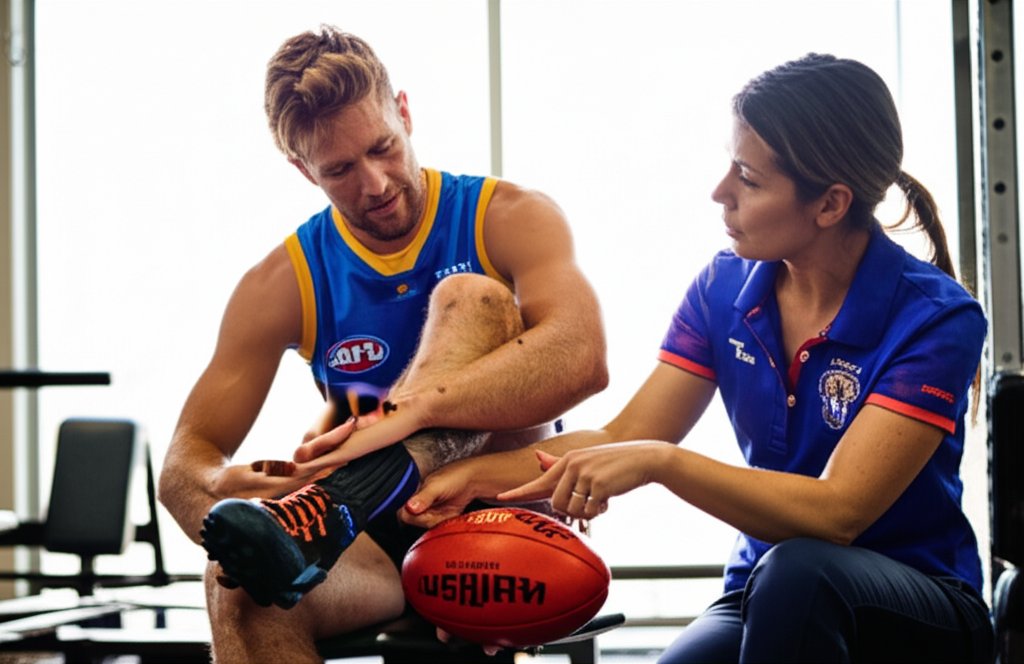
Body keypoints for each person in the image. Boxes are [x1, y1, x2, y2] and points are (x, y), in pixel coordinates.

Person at [384, 53, 995, 662]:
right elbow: (624, 435)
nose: (719, 193)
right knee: (768, 592)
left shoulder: (938, 319)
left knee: (802, 571)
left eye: (749, 180)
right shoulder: (723, 289)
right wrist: (469, 478)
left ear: (831, 204)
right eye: (730, 166)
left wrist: (662, 464)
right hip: (766, 589)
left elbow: (840, 514)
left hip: (919, 606)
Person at [157, 25, 607, 663]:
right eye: (339, 169)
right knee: (242, 588)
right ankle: (327, 513)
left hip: (497, 515)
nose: (374, 183)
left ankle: (340, 500)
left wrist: (403, 417)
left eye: (383, 148)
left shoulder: (509, 216)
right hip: (376, 544)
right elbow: (182, 465)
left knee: (471, 297)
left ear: (403, 110)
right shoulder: (280, 282)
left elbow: (583, 359)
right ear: (301, 168)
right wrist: (225, 492)